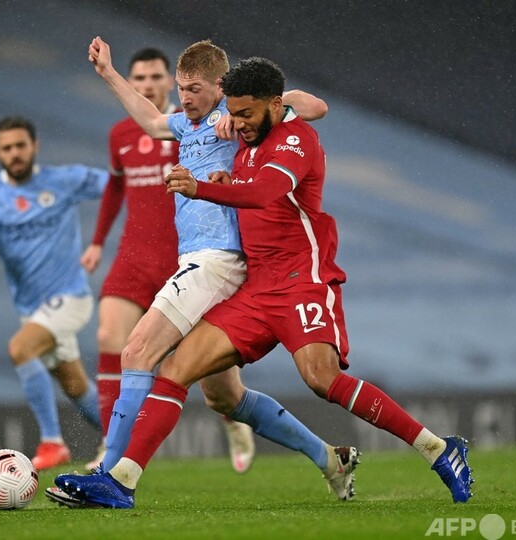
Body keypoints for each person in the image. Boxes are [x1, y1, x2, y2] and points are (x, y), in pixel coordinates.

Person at [54, 57, 474, 508]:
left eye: (247, 114)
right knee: (178, 369)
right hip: (254, 288)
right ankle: (121, 482)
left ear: (275, 105)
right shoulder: (244, 137)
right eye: (233, 114)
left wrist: (202, 187)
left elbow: (263, 192)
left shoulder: (296, 139)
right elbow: (237, 173)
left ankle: (437, 448)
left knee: (321, 378)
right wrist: (224, 176)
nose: (238, 124)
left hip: (301, 281)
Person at [45, 38, 360, 508]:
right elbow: (152, 121)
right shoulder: (185, 123)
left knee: (137, 350)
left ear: (220, 87)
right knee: (224, 398)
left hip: (216, 261)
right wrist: (108, 73)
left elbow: (316, 107)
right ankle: (331, 458)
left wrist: (265, 104)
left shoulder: (233, 122)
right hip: (207, 265)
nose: (185, 97)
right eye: (181, 88)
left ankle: (110, 475)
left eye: (194, 89)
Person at [80, 46, 256, 473]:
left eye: (157, 78)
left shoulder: (225, 117)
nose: (151, 86)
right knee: (118, 340)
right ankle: (112, 453)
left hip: (207, 258)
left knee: (211, 384)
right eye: (140, 79)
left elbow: (306, 106)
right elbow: (122, 175)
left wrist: (242, 112)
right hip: (150, 255)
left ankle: (234, 420)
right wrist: (107, 72)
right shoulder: (158, 128)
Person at [0, 116, 105, 470]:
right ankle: (125, 440)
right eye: (7, 148)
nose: (15, 153)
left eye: (21, 145)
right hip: (32, 308)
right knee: (75, 385)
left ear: (35, 146)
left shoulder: (63, 180)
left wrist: (101, 238)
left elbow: (118, 184)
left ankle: (53, 442)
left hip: (70, 296)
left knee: (20, 348)